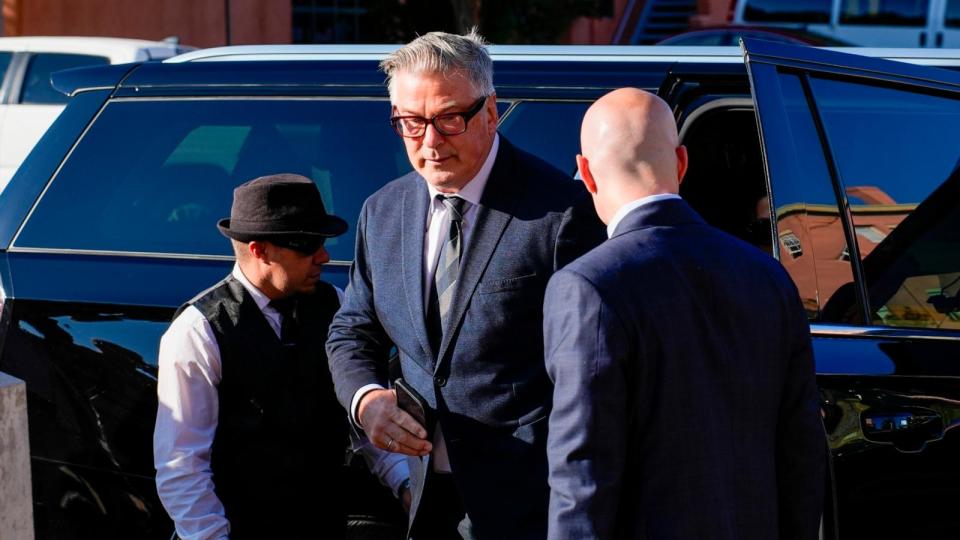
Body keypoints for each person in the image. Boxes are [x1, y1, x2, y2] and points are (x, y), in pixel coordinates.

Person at [326, 30, 603, 539]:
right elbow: (354, 327)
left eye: (450, 118)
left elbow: (589, 370)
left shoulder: (561, 214)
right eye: (411, 123)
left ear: (491, 111)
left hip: (529, 500)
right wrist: (366, 399)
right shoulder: (382, 211)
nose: (430, 141)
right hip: (423, 497)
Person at [543, 88, 825, 540]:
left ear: (586, 174)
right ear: (681, 163)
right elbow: (801, 455)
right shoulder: (768, 276)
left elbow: (583, 471)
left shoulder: (588, 285)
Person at [154, 174, 409, 540]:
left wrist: (403, 481)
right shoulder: (199, 331)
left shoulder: (333, 304)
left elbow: (364, 419)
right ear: (260, 250)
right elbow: (182, 466)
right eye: (307, 245)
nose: (324, 256)